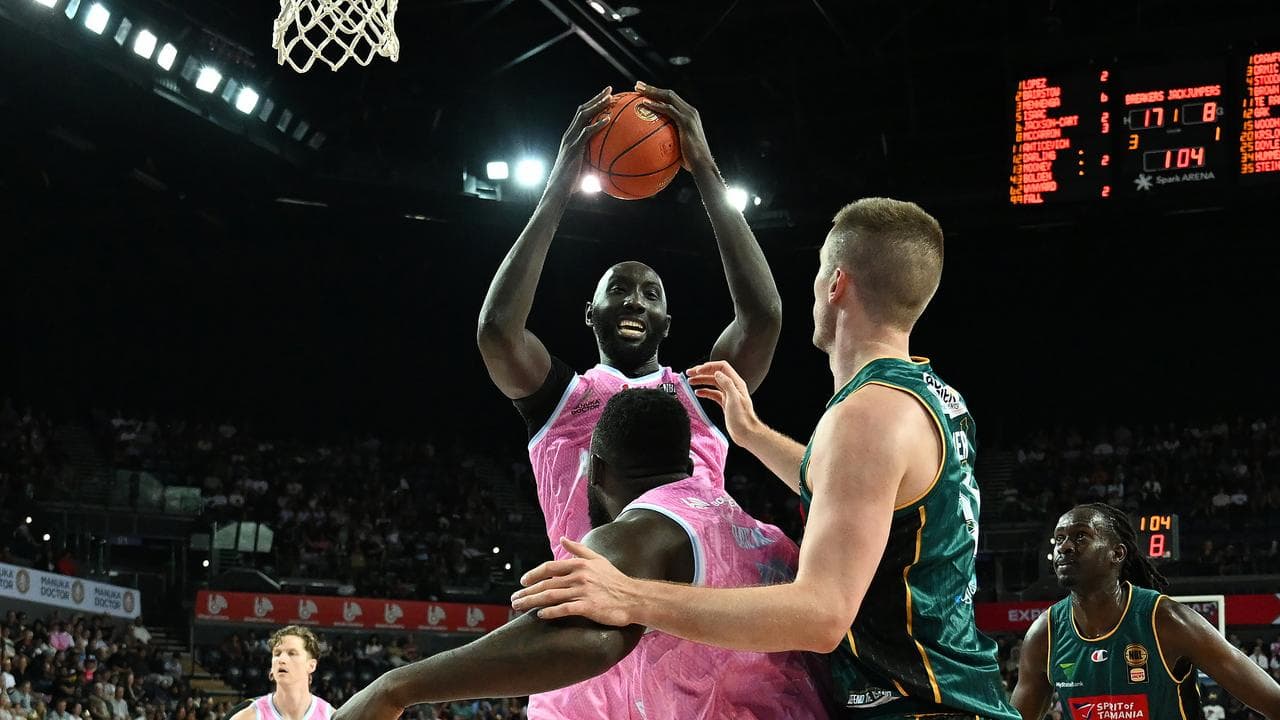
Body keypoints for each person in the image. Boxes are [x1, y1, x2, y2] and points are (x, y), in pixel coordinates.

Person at [513, 197, 1019, 719]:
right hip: (957, 691)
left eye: (820, 268)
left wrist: (632, 597)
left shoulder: (865, 415)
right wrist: (752, 434)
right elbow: (855, 486)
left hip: (916, 703)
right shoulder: (933, 396)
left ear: (836, 284)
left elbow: (820, 616)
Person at [476, 81, 782, 719]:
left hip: (694, 641)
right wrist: (563, 176)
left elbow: (763, 317)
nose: (635, 302)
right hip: (582, 642)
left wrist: (705, 170)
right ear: (591, 313)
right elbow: (497, 332)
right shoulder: (562, 400)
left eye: (650, 295)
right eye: (620, 290)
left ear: (668, 323)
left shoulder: (694, 398)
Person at [334, 390, 827, 720]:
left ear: (598, 471)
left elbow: (588, 642)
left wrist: (394, 687)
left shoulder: (640, 530)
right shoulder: (761, 533)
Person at [1009, 503, 1280, 720]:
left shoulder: (1167, 621)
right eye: (1059, 539)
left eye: (1081, 536)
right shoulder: (1045, 633)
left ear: (1117, 553)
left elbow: (1273, 702)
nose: (1064, 547)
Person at [228, 627, 334, 720]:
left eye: (292, 653)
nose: (281, 659)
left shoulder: (330, 716)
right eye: (277, 654)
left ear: (311, 665)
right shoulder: (249, 716)